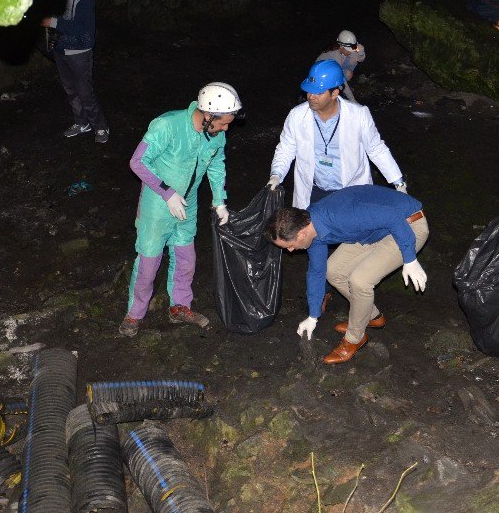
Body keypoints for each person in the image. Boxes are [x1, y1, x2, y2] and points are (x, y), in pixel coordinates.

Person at [118, 82, 241, 336]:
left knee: (185, 257)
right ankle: (134, 313)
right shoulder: (167, 125)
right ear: (208, 115)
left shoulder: (216, 133)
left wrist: (219, 200)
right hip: (158, 204)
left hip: (189, 202)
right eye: (223, 123)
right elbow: (137, 161)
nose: (226, 128)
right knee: (149, 261)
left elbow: (217, 163)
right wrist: (167, 192)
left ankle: (180, 306)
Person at [264, 185, 429, 364]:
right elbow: (317, 271)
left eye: (289, 245)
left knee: (360, 280)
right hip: (374, 231)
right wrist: (313, 316)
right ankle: (372, 316)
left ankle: (355, 338)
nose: (289, 250)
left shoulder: (339, 216)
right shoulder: (312, 229)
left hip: (408, 225)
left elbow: (392, 216)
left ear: (301, 233)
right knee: (333, 271)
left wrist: (410, 259)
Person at [269, 59, 405, 209]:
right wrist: (276, 174)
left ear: (334, 93)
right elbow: (286, 148)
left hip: (350, 190)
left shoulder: (358, 115)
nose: (310, 97)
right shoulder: (296, 116)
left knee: (350, 231)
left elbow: (376, 149)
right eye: (309, 90)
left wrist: (398, 183)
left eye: (318, 92)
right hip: (313, 191)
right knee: (310, 232)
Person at [41, 0, 109, 143]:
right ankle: (81, 123)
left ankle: (100, 126)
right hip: (60, 50)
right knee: (71, 90)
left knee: (85, 92)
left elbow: (84, 29)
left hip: (79, 52)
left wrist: (53, 22)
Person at [315, 29, 365, 101]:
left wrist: (361, 52)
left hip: (334, 69)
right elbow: (341, 78)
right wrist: (353, 100)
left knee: (352, 62)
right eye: (349, 50)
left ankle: (342, 88)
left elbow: (360, 59)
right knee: (341, 80)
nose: (350, 52)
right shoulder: (334, 54)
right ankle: (337, 90)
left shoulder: (343, 47)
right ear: (341, 47)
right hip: (321, 77)